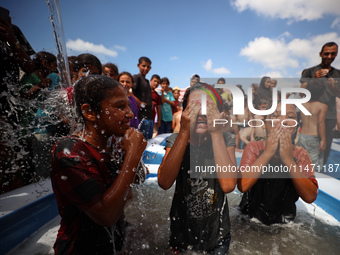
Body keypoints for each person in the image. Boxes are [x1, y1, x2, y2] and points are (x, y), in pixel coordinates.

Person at [51, 75, 147, 254]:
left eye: (128, 105)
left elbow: (139, 178)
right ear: (89, 112)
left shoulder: (112, 143)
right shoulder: (69, 151)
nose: (131, 113)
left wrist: (130, 152)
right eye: (120, 106)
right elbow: (106, 215)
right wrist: (133, 155)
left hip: (112, 245)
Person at [158, 83, 237, 254]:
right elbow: (164, 182)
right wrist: (184, 131)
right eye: (194, 107)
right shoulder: (176, 140)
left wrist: (216, 132)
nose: (202, 113)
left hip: (218, 235)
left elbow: (229, 185)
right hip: (181, 234)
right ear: (184, 112)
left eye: (208, 107)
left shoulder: (225, 138)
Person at [238, 103, 318, 226]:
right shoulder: (254, 148)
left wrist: (288, 159)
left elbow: (310, 196)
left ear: (296, 126)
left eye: (290, 117)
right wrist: (268, 153)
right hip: (249, 217)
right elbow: (242, 186)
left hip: (284, 223)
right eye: (276, 116)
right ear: (265, 124)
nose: (283, 121)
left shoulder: (300, 154)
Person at [300, 42, 340, 164]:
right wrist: (314, 80)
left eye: (333, 54)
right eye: (326, 53)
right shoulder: (309, 72)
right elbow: (302, 92)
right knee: (304, 149)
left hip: (329, 116)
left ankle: (318, 174)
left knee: (325, 147)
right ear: (320, 54)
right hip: (310, 117)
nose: (329, 56)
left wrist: (334, 89)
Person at [298, 79, 327, 170]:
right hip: (314, 137)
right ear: (322, 92)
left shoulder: (302, 104)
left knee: (301, 160)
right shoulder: (322, 106)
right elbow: (320, 123)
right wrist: (323, 139)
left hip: (302, 135)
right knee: (314, 164)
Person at [132, 56, 153, 140]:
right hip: (140, 115)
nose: (146, 68)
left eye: (148, 67)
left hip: (149, 115)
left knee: (149, 141)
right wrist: (139, 102)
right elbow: (129, 92)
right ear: (138, 65)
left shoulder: (147, 81)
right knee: (141, 141)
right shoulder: (136, 78)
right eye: (143, 66)